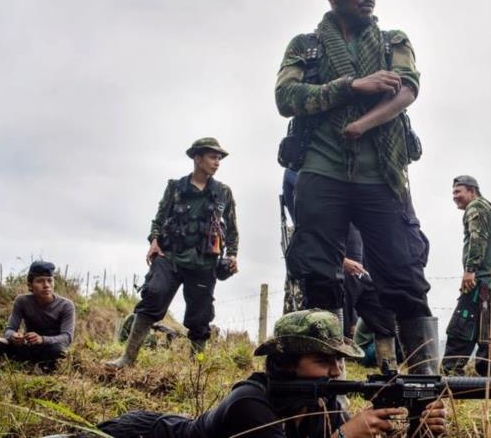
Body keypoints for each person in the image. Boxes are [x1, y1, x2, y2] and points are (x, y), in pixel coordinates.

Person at [275, 0, 436, 374]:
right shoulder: (305, 48)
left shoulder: (392, 41)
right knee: (319, 281)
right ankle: (323, 390)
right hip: (320, 173)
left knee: (404, 279)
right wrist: (353, 85)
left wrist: (363, 124)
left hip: (380, 178)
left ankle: (425, 387)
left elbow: (408, 90)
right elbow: (286, 99)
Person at [92, 309, 448, 438]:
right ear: (286, 364)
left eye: (339, 361)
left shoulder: (325, 403)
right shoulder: (249, 403)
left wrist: (418, 430)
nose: (337, 371)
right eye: (323, 361)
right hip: (141, 433)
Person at [106, 138, 239, 368]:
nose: (217, 162)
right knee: (153, 296)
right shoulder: (176, 188)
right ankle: (127, 358)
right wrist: (154, 241)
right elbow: (159, 218)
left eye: (219, 158)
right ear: (197, 158)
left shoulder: (223, 193)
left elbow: (232, 229)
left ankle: (196, 368)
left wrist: (233, 255)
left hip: (204, 263)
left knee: (200, 318)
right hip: (170, 257)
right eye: (212, 157)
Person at [281, 168, 399, 371]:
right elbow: (308, 228)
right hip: (331, 268)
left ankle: (391, 374)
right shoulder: (300, 171)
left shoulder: (360, 171)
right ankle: (334, 384)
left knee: (384, 318)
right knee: (330, 328)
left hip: (363, 267)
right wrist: (342, 261)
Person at [442, 176, 491, 377]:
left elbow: (478, 238)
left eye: (458, 192)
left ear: (472, 191)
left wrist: (470, 270)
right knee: (487, 329)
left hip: (480, 279)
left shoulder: (475, 207)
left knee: (462, 324)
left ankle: (451, 371)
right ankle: (488, 372)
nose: (455, 197)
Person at [0, 261, 75, 372]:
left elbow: (67, 337)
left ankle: (41, 372)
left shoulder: (66, 305)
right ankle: (2, 375)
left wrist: (42, 339)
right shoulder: (22, 301)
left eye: (49, 280)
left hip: (50, 350)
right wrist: (15, 336)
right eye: (40, 281)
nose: (46, 285)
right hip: (28, 348)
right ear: (30, 285)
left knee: (59, 350)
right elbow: (9, 330)